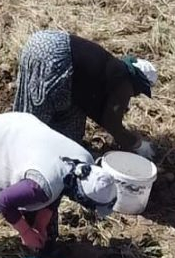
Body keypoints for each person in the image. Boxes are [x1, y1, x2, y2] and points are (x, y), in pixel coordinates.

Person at [0, 112, 117, 258]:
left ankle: (46, 250)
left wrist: (40, 225)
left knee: (46, 220)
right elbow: (4, 201)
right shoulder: (41, 185)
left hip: (28, 140)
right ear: (81, 197)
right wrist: (25, 231)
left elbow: (62, 186)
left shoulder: (85, 164)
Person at [13, 30, 158, 160]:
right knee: (35, 124)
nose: (135, 95)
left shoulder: (111, 67)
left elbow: (90, 101)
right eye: (139, 91)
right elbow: (112, 124)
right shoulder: (123, 83)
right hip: (55, 58)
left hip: (42, 41)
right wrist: (137, 144)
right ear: (137, 83)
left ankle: (40, 146)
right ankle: (25, 158)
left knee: (65, 121)